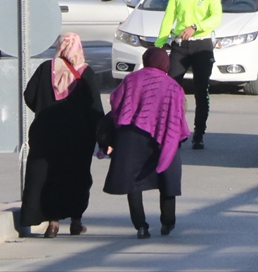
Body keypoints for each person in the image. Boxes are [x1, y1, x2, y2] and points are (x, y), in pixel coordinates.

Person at [102, 47, 190, 239]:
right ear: (165, 63)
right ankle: (167, 223)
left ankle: (141, 226)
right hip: (164, 135)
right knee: (167, 177)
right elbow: (178, 115)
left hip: (132, 135)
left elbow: (115, 100)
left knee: (133, 182)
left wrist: (122, 119)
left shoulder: (131, 79)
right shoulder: (173, 86)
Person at [21, 34, 102, 238]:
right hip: (78, 137)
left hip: (46, 134)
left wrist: (43, 109)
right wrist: (102, 135)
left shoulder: (45, 69)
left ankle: (53, 223)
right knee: (77, 177)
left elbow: (29, 95)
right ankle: (76, 222)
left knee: (50, 177)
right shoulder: (86, 72)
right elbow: (95, 108)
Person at [154, 0, 221, 150]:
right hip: (180, 45)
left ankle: (198, 133)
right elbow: (168, 19)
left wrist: (195, 26)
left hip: (202, 45)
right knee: (172, 89)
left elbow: (216, 18)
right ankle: (174, 131)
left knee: (201, 90)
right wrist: (158, 46)